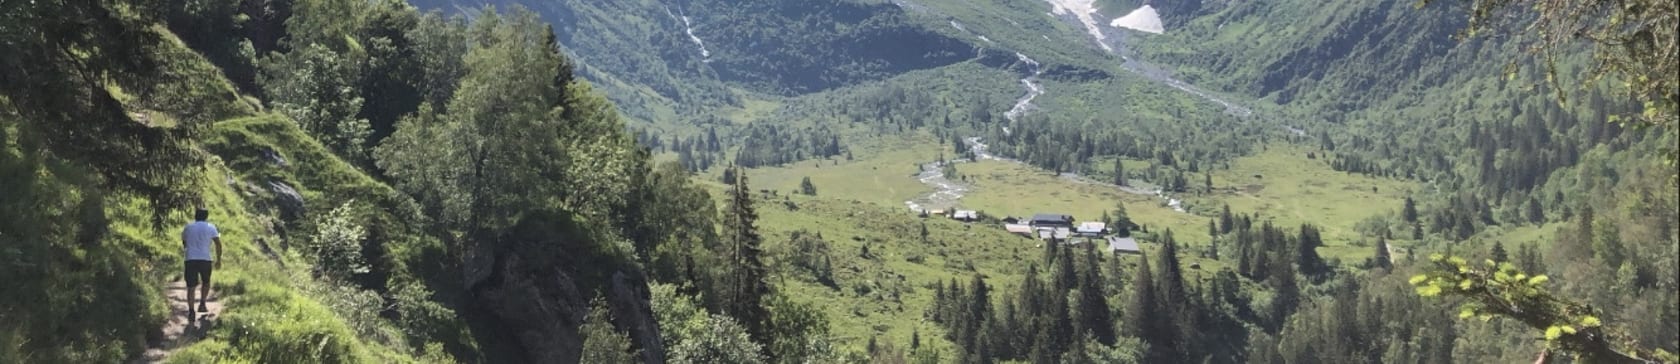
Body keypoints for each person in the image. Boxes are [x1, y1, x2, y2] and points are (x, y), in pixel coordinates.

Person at [181, 208, 223, 315]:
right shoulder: (211, 227)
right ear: (206, 217)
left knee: (191, 286)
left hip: (190, 258)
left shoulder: (188, 227)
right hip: (205, 258)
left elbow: (184, 243)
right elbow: (218, 243)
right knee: (206, 282)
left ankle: (191, 311)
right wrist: (218, 259)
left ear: (196, 216)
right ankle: (202, 303)